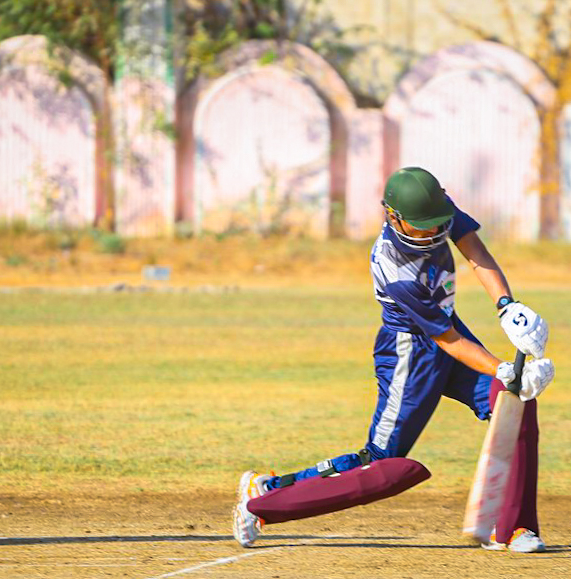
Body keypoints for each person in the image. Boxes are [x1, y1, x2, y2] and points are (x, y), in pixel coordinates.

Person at [232, 167, 554, 552]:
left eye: (438, 224)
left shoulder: (433, 210)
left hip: (446, 327)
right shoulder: (395, 268)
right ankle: (265, 496)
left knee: (513, 401)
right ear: (393, 216)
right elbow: (448, 341)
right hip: (410, 353)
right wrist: (504, 368)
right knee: (381, 460)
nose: (434, 234)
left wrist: (506, 306)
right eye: (423, 227)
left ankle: (515, 527)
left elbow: (474, 249)